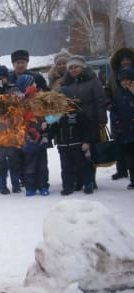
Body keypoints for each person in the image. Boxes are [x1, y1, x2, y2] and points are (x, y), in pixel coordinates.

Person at [61, 55, 107, 192]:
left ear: (83, 67)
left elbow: (100, 101)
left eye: (76, 67)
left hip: (90, 121)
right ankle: (78, 180)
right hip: (72, 124)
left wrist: (102, 120)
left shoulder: (93, 81)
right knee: (76, 153)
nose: (74, 70)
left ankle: (90, 180)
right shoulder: (66, 83)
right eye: (71, 67)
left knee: (89, 152)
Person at [49, 94, 93, 195]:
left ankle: (88, 184)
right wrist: (47, 126)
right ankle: (67, 187)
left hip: (77, 145)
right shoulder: (56, 114)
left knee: (82, 165)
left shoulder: (78, 112)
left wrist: (86, 141)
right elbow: (52, 130)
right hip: (63, 146)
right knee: (66, 168)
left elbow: (87, 129)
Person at [16, 75, 50, 196]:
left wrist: (47, 122)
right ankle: (31, 186)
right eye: (33, 83)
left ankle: (43, 186)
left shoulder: (40, 98)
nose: (35, 85)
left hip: (40, 136)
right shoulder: (22, 102)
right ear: (28, 86)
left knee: (42, 164)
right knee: (30, 164)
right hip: (29, 137)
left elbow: (49, 114)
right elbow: (22, 121)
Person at [106, 47, 134, 180]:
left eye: (128, 59)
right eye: (123, 60)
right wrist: (109, 103)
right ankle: (121, 169)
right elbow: (107, 90)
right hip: (118, 111)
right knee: (119, 142)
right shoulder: (113, 75)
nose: (125, 62)